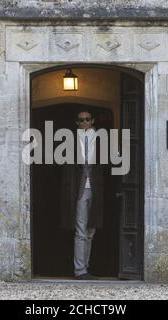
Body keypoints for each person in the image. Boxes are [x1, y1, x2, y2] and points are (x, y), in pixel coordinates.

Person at [59, 109, 105, 280]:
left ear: (92, 121)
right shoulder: (70, 140)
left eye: (87, 119)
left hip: (96, 188)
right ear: (76, 122)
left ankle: (85, 268)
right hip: (78, 189)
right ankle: (79, 270)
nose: (84, 122)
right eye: (80, 120)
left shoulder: (101, 139)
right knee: (80, 230)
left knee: (91, 230)